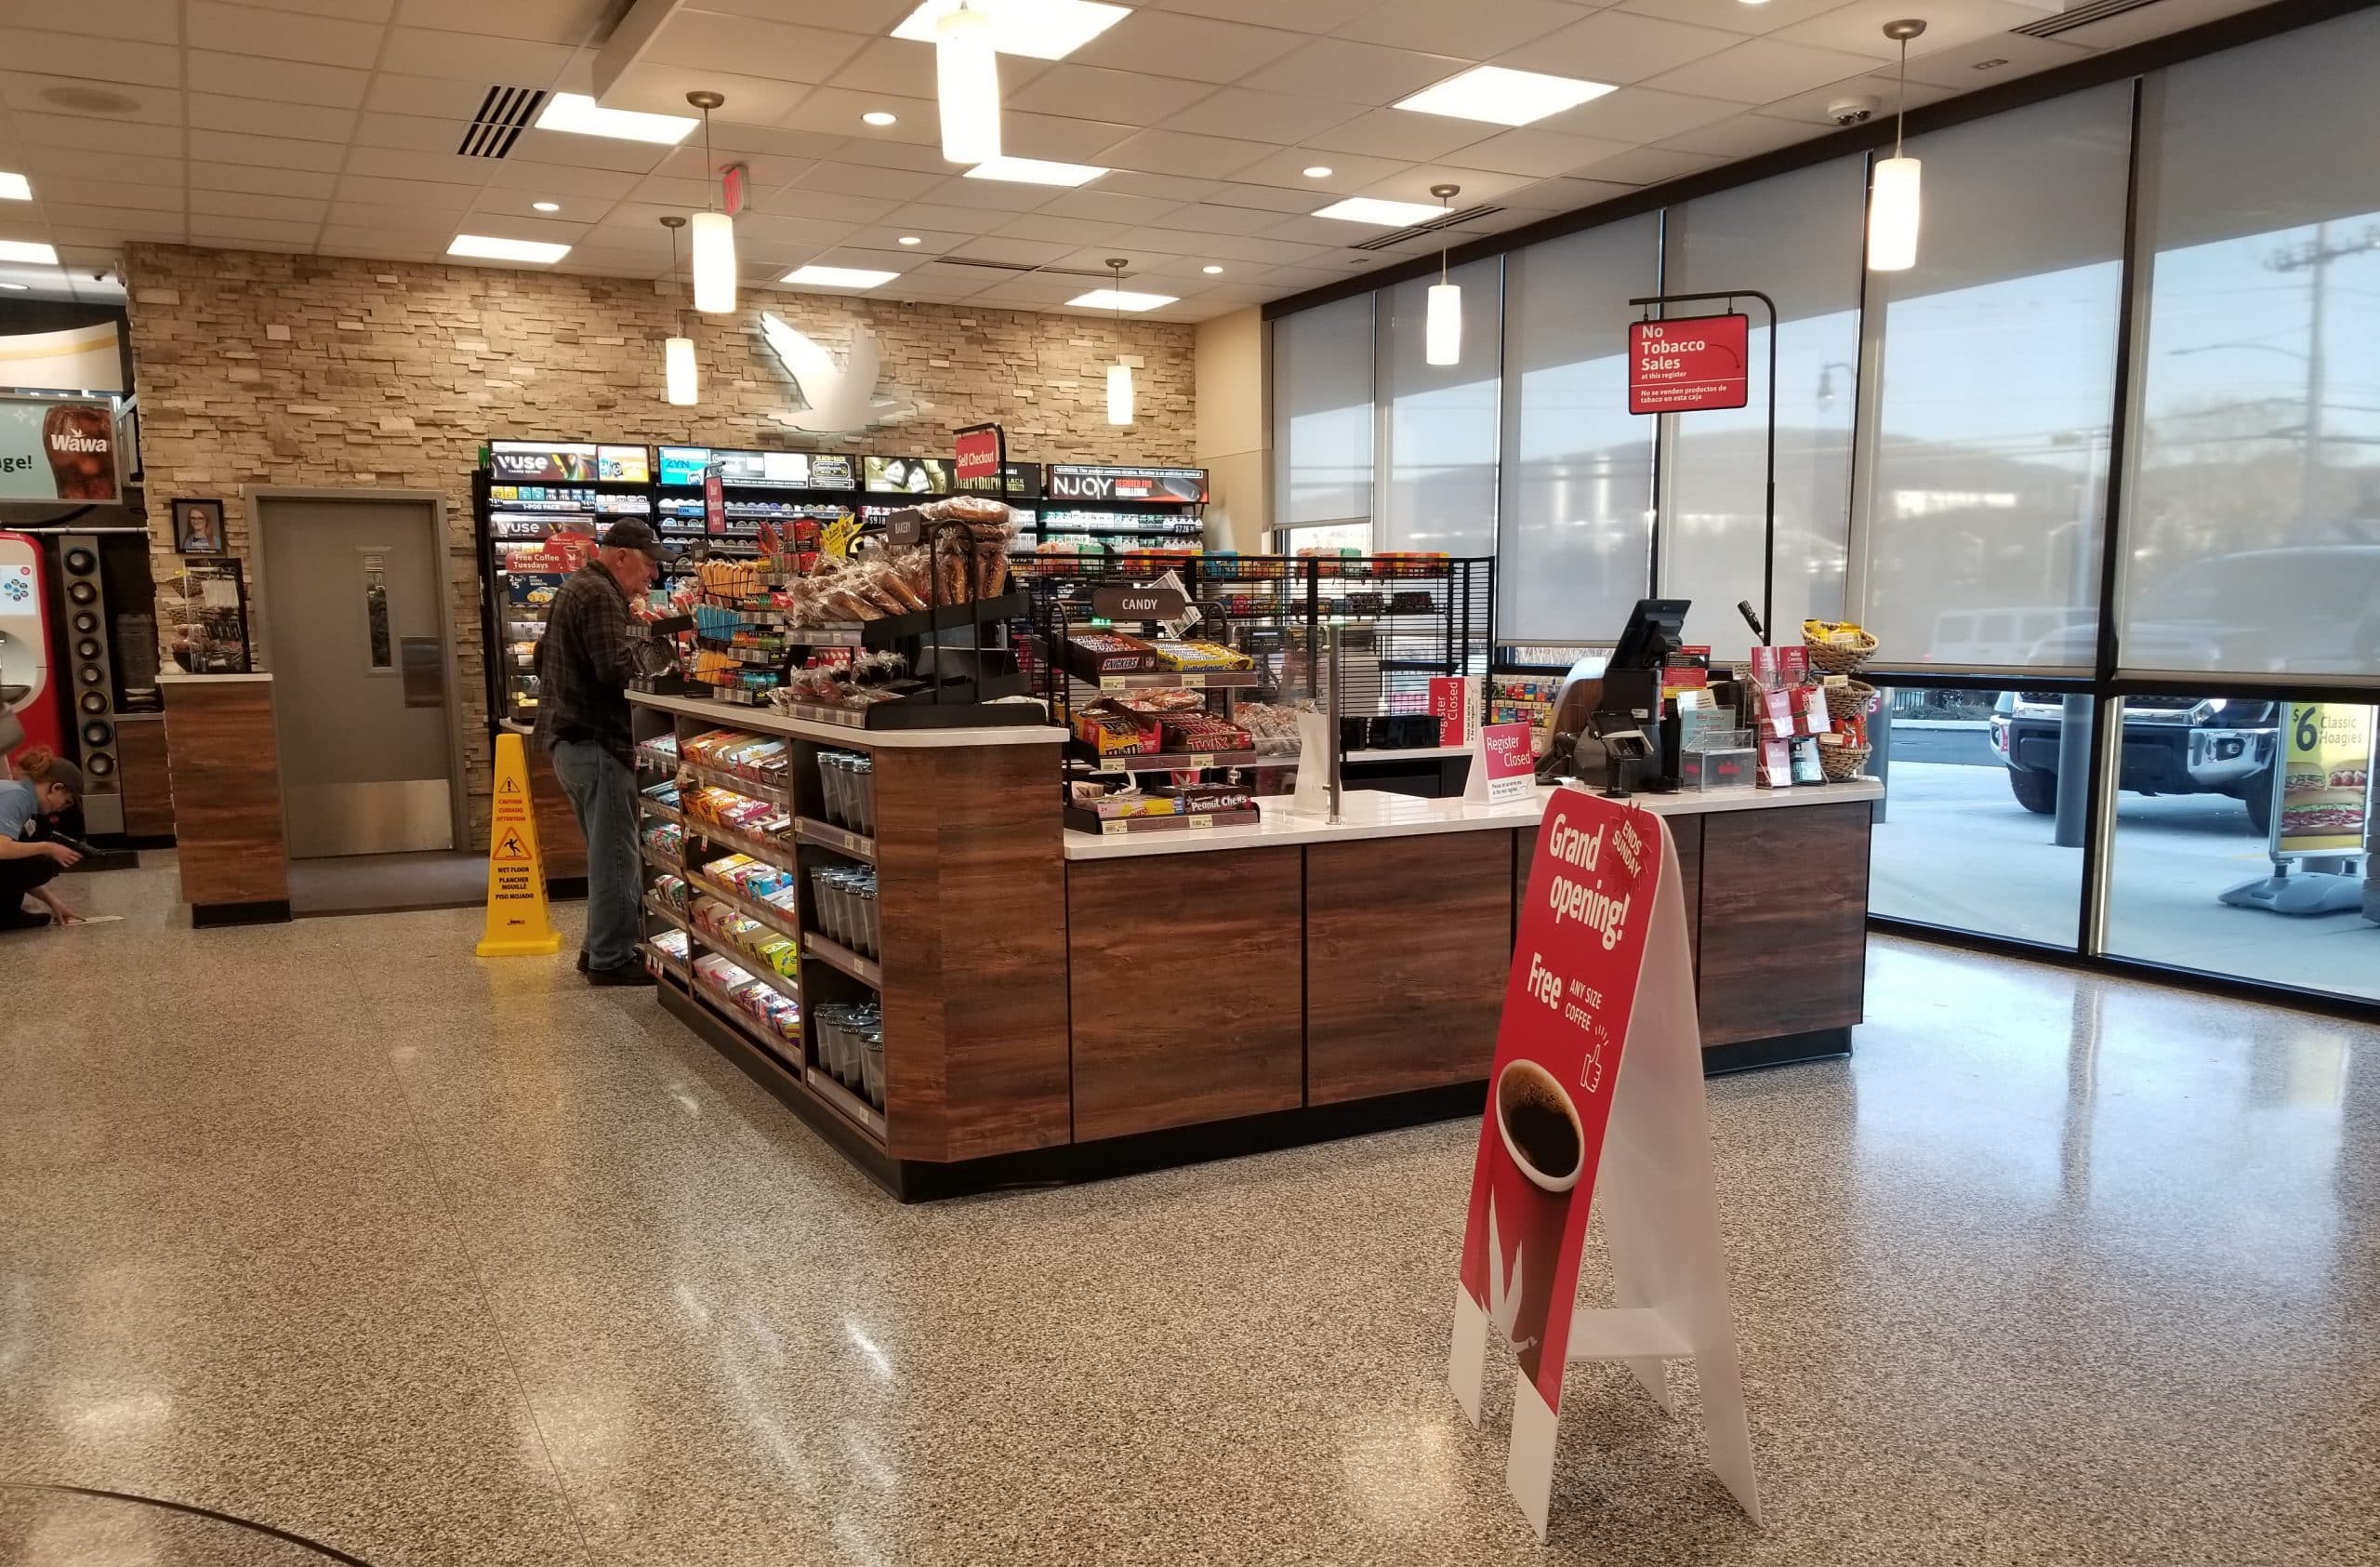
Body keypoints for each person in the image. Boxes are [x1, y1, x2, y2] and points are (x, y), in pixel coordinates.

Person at [534, 518, 663, 986]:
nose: (653, 576)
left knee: (605, 854)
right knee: (616, 858)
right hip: (597, 743)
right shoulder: (600, 595)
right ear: (621, 556)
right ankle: (612, 958)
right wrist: (659, 650)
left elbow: (540, 655)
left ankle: (596, 949)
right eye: (648, 565)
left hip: (572, 744)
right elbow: (615, 670)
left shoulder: (579, 587)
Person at [1, 746, 86, 929]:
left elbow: (10, 868)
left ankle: (8, 914)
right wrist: (48, 847)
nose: (62, 809)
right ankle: (6, 916)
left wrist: (53, 902)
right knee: (42, 864)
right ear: (56, 788)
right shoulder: (16, 796)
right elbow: (1, 849)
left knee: (28, 855)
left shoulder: (20, 796)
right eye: (67, 801)